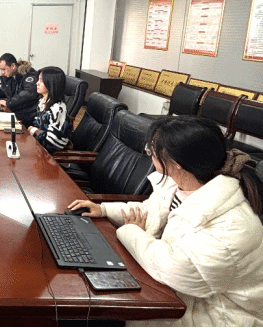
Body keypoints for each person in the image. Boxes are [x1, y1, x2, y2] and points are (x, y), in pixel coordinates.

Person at [68, 116, 263, 326]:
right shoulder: (181, 183)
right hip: (178, 293)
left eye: (151, 151)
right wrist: (104, 209)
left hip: (214, 315)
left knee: (92, 311)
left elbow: (174, 269)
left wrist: (132, 231)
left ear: (176, 163)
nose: (149, 155)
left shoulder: (231, 226)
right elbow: (149, 211)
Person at [0, 53, 38, 127]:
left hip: (26, 116)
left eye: (4, 69)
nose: (2, 72)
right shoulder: (11, 75)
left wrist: (8, 103)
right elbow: (5, 90)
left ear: (13, 66)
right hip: (16, 112)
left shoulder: (28, 75)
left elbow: (27, 94)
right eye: (1, 69)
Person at [27, 66, 71, 153]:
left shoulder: (57, 108)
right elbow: (37, 124)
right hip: (39, 146)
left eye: (41, 81)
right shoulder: (42, 101)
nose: (37, 83)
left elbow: (54, 142)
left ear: (51, 84)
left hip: (50, 154)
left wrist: (34, 130)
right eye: (38, 80)